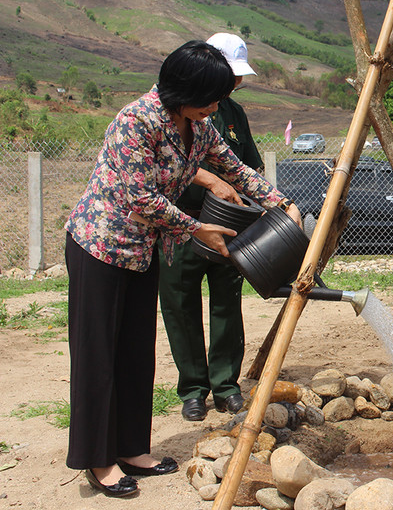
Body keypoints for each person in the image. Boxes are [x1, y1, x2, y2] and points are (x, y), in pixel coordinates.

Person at [65, 40, 300, 498]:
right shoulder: (136, 122)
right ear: (184, 90)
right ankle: (97, 460)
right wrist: (197, 228)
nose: (218, 105)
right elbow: (139, 197)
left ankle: (132, 448)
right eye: (211, 96)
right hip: (100, 248)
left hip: (144, 250)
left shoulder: (200, 126)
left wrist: (283, 203)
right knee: (98, 357)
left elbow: (237, 171)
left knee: (135, 353)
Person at [158, 33, 262, 422]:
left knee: (226, 304)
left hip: (229, 224)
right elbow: (169, 166)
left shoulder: (232, 114)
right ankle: (193, 390)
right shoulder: (169, 111)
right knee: (180, 305)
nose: (233, 84)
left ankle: (226, 385)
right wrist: (210, 180)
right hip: (180, 223)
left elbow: (246, 166)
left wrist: (272, 202)